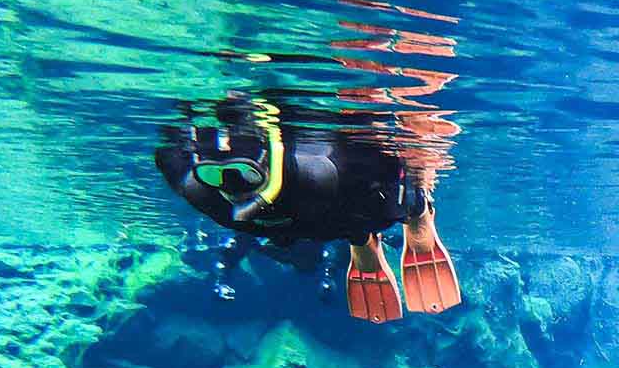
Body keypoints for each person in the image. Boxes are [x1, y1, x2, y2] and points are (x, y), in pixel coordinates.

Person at [155, 97, 460, 323]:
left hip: (332, 208)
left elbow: (379, 174)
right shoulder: (201, 191)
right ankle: (366, 235)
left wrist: (362, 232)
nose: (232, 188)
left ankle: (409, 216)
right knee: (367, 209)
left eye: (243, 172)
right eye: (213, 175)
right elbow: (166, 157)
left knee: (387, 202)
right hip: (314, 216)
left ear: (266, 163)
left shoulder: (314, 174)